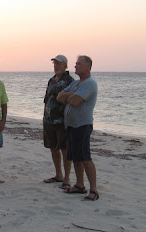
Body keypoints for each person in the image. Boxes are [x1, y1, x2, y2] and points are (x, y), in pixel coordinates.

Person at [57, 55, 99, 201]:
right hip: (71, 125)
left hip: (83, 125)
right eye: (75, 64)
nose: (75, 66)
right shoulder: (75, 84)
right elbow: (59, 97)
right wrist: (70, 94)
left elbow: (75, 101)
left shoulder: (89, 83)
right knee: (75, 157)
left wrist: (69, 96)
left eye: (79, 64)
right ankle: (80, 185)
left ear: (88, 66)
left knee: (85, 157)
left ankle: (93, 190)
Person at [43, 55, 74, 189]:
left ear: (66, 66)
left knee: (65, 149)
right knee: (53, 148)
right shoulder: (51, 80)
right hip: (49, 120)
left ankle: (66, 178)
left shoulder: (70, 81)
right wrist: (44, 116)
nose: (56, 66)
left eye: (59, 64)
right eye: (54, 64)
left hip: (62, 121)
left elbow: (73, 101)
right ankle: (58, 174)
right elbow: (46, 99)